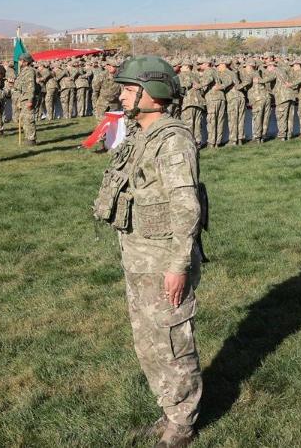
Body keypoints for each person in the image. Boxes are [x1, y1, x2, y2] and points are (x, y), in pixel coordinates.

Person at [92, 55, 204, 448]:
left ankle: (183, 422)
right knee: (148, 341)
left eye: (128, 89)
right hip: (139, 257)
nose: (121, 95)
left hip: (164, 261)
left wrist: (178, 267)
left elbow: (186, 207)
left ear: (152, 93)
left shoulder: (172, 139)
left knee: (171, 343)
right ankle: (170, 408)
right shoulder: (141, 133)